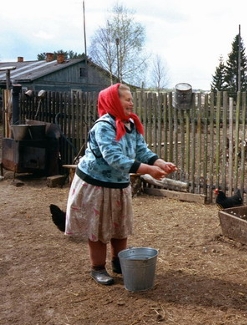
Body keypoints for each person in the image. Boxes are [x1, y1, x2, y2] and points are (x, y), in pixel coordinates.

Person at [65, 83, 176, 285]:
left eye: (131, 99)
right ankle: (97, 268)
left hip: (118, 184)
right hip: (96, 184)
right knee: (97, 230)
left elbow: (142, 151)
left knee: (119, 227)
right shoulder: (103, 126)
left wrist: (159, 162)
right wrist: (148, 170)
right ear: (113, 102)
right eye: (127, 99)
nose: (131, 103)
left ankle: (119, 262)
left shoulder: (131, 124)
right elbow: (114, 158)